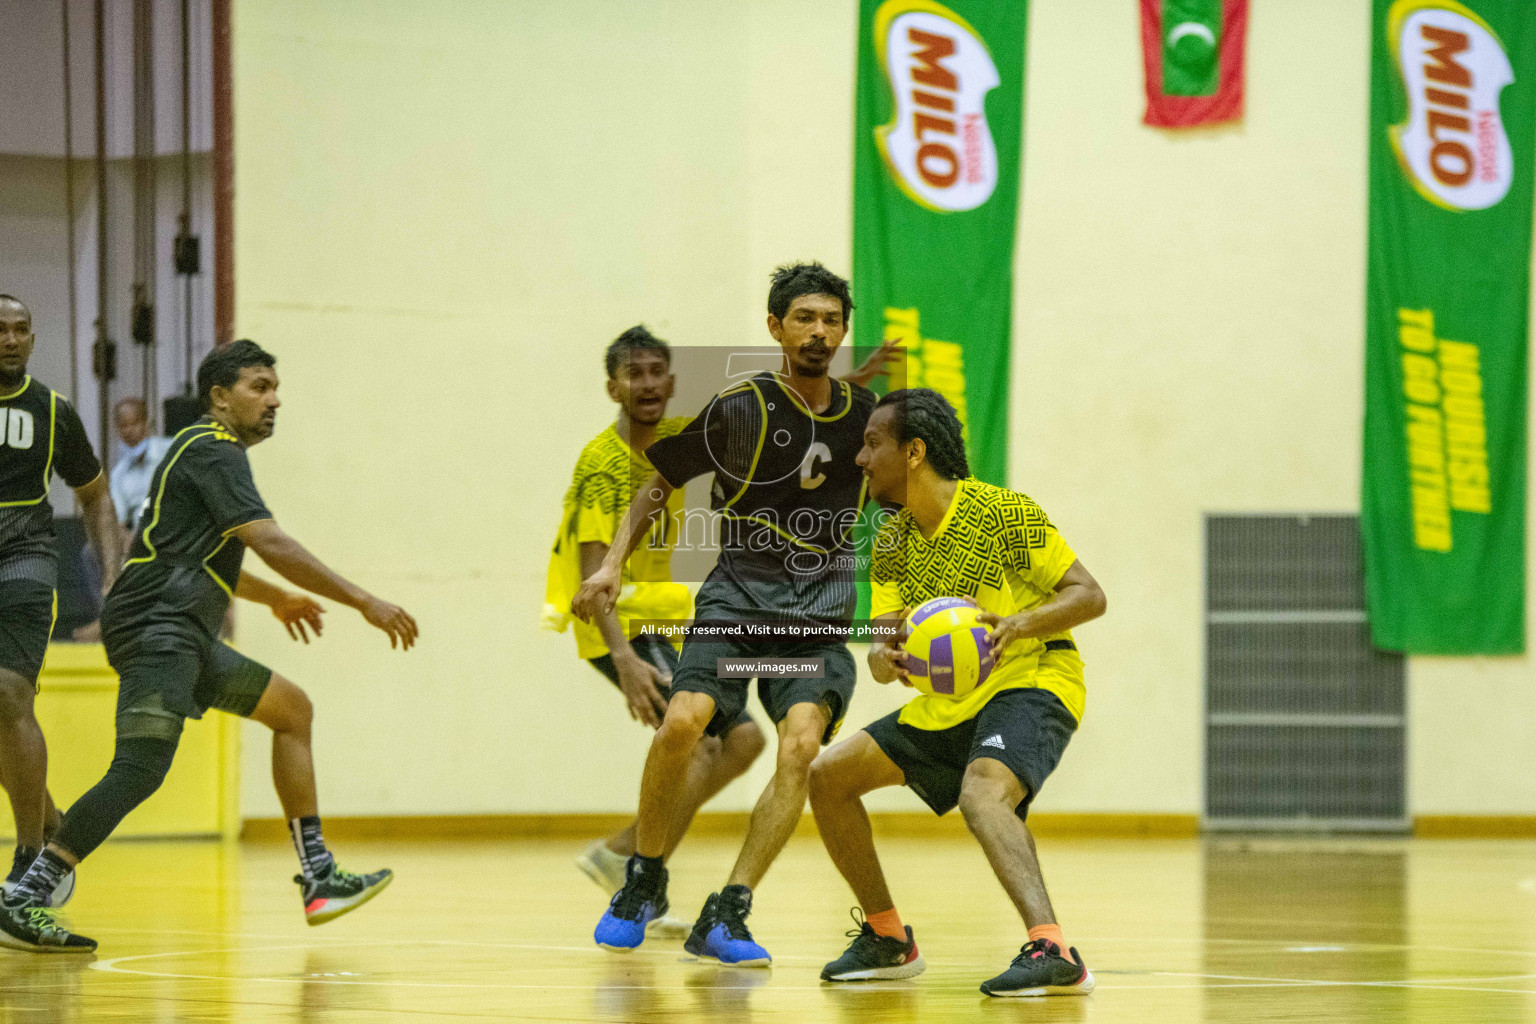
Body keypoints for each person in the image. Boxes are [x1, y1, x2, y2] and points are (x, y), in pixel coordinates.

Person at [0, 339, 419, 953]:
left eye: (276, 387)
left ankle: (320, 876)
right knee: (140, 768)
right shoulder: (214, 449)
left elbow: (186, 553)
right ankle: (26, 895)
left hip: (180, 629)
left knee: (291, 710)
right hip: (158, 628)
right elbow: (272, 542)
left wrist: (272, 600)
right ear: (219, 398)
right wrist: (365, 602)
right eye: (258, 386)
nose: (273, 399)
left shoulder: (199, 451)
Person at [573, 262, 878, 967]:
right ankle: (643, 876)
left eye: (831, 319)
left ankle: (729, 909)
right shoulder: (741, 408)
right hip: (735, 607)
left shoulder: (867, 419)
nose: (819, 331)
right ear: (776, 327)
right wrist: (614, 562)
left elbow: (905, 501)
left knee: (800, 747)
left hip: (816, 621)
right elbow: (660, 484)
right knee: (683, 722)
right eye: (804, 317)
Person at [808, 388, 1105, 997]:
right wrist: (884, 658)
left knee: (982, 794)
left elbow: (1089, 595)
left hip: (1032, 678)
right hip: (950, 700)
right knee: (827, 776)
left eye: (872, 444)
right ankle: (889, 939)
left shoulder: (1001, 512)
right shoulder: (889, 541)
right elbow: (884, 650)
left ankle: (1054, 951)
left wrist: (1017, 623)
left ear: (914, 451)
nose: (859, 459)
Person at [545, 325, 766, 937]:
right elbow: (594, 576)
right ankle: (641, 874)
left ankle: (626, 856)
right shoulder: (601, 462)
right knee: (698, 738)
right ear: (612, 386)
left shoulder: (679, 436)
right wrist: (624, 662)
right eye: (632, 373)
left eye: (655, 372)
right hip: (611, 625)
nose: (646, 383)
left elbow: (775, 421)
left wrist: (845, 389)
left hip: (669, 620)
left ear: (671, 380)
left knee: (742, 742)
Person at [0, 295, 121, 906]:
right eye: (1, 329)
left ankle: (27, 857)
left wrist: (112, 573)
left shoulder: (53, 410)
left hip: (24, 559)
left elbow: (95, 495)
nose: (12, 339)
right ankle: (51, 825)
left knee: (9, 693)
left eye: (22, 329)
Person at [109, 397, 173, 538]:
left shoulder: (171, 450)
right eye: (123, 426)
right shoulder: (118, 474)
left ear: (145, 423)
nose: (128, 431)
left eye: (134, 424)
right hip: (143, 539)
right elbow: (120, 523)